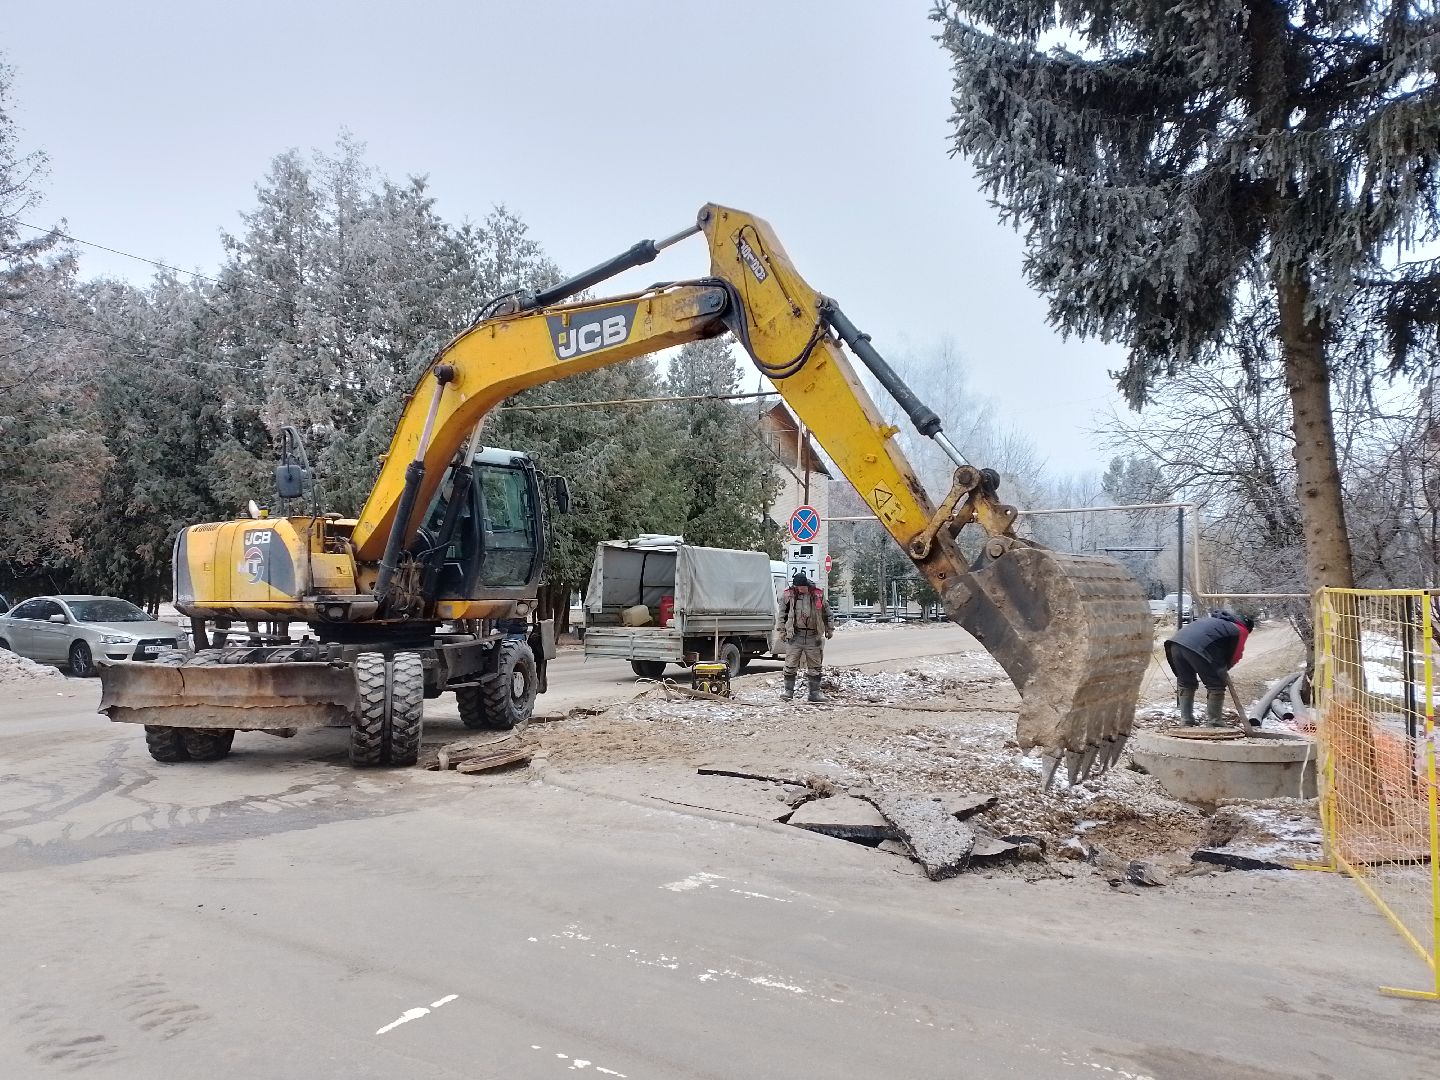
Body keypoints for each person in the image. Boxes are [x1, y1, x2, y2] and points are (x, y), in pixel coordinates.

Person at [1164, 609, 1255, 726]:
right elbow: (1236, 655)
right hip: (1198, 647)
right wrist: (1222, 671)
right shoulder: (1241, 629)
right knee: (1216, 685)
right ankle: (1215, 722)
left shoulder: (1217, 622)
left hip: (1175, 644)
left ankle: (1186, 720)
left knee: (1186, 683)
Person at [779, 570, 833, 702]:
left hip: (813, 636)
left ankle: (814, 693)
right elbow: (782, 614)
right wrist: (781, 630)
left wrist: (829, 628)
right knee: (790, 664)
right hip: (795, 635)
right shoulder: (789, 595)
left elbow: (827, 612)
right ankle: (788, 692)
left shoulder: (817, 594)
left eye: (802, 587)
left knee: (815, 666)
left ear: (806, 585)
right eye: (797, 587)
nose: (800, 589)